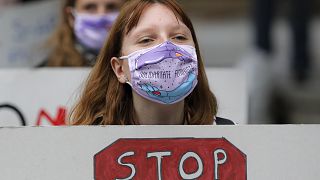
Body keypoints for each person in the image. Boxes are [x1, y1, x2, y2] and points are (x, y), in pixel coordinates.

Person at [70, 0, 234, 125]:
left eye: (179, 37)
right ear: (119, 69)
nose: (167, 48)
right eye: (146, 40)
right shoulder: (89, 144)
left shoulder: (230, 135)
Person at [39, 0, 124, 67]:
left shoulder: (133, 67)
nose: (101, 16)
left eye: (111, 7)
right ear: (71, 17)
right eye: (90, 7)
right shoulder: (50, 69)